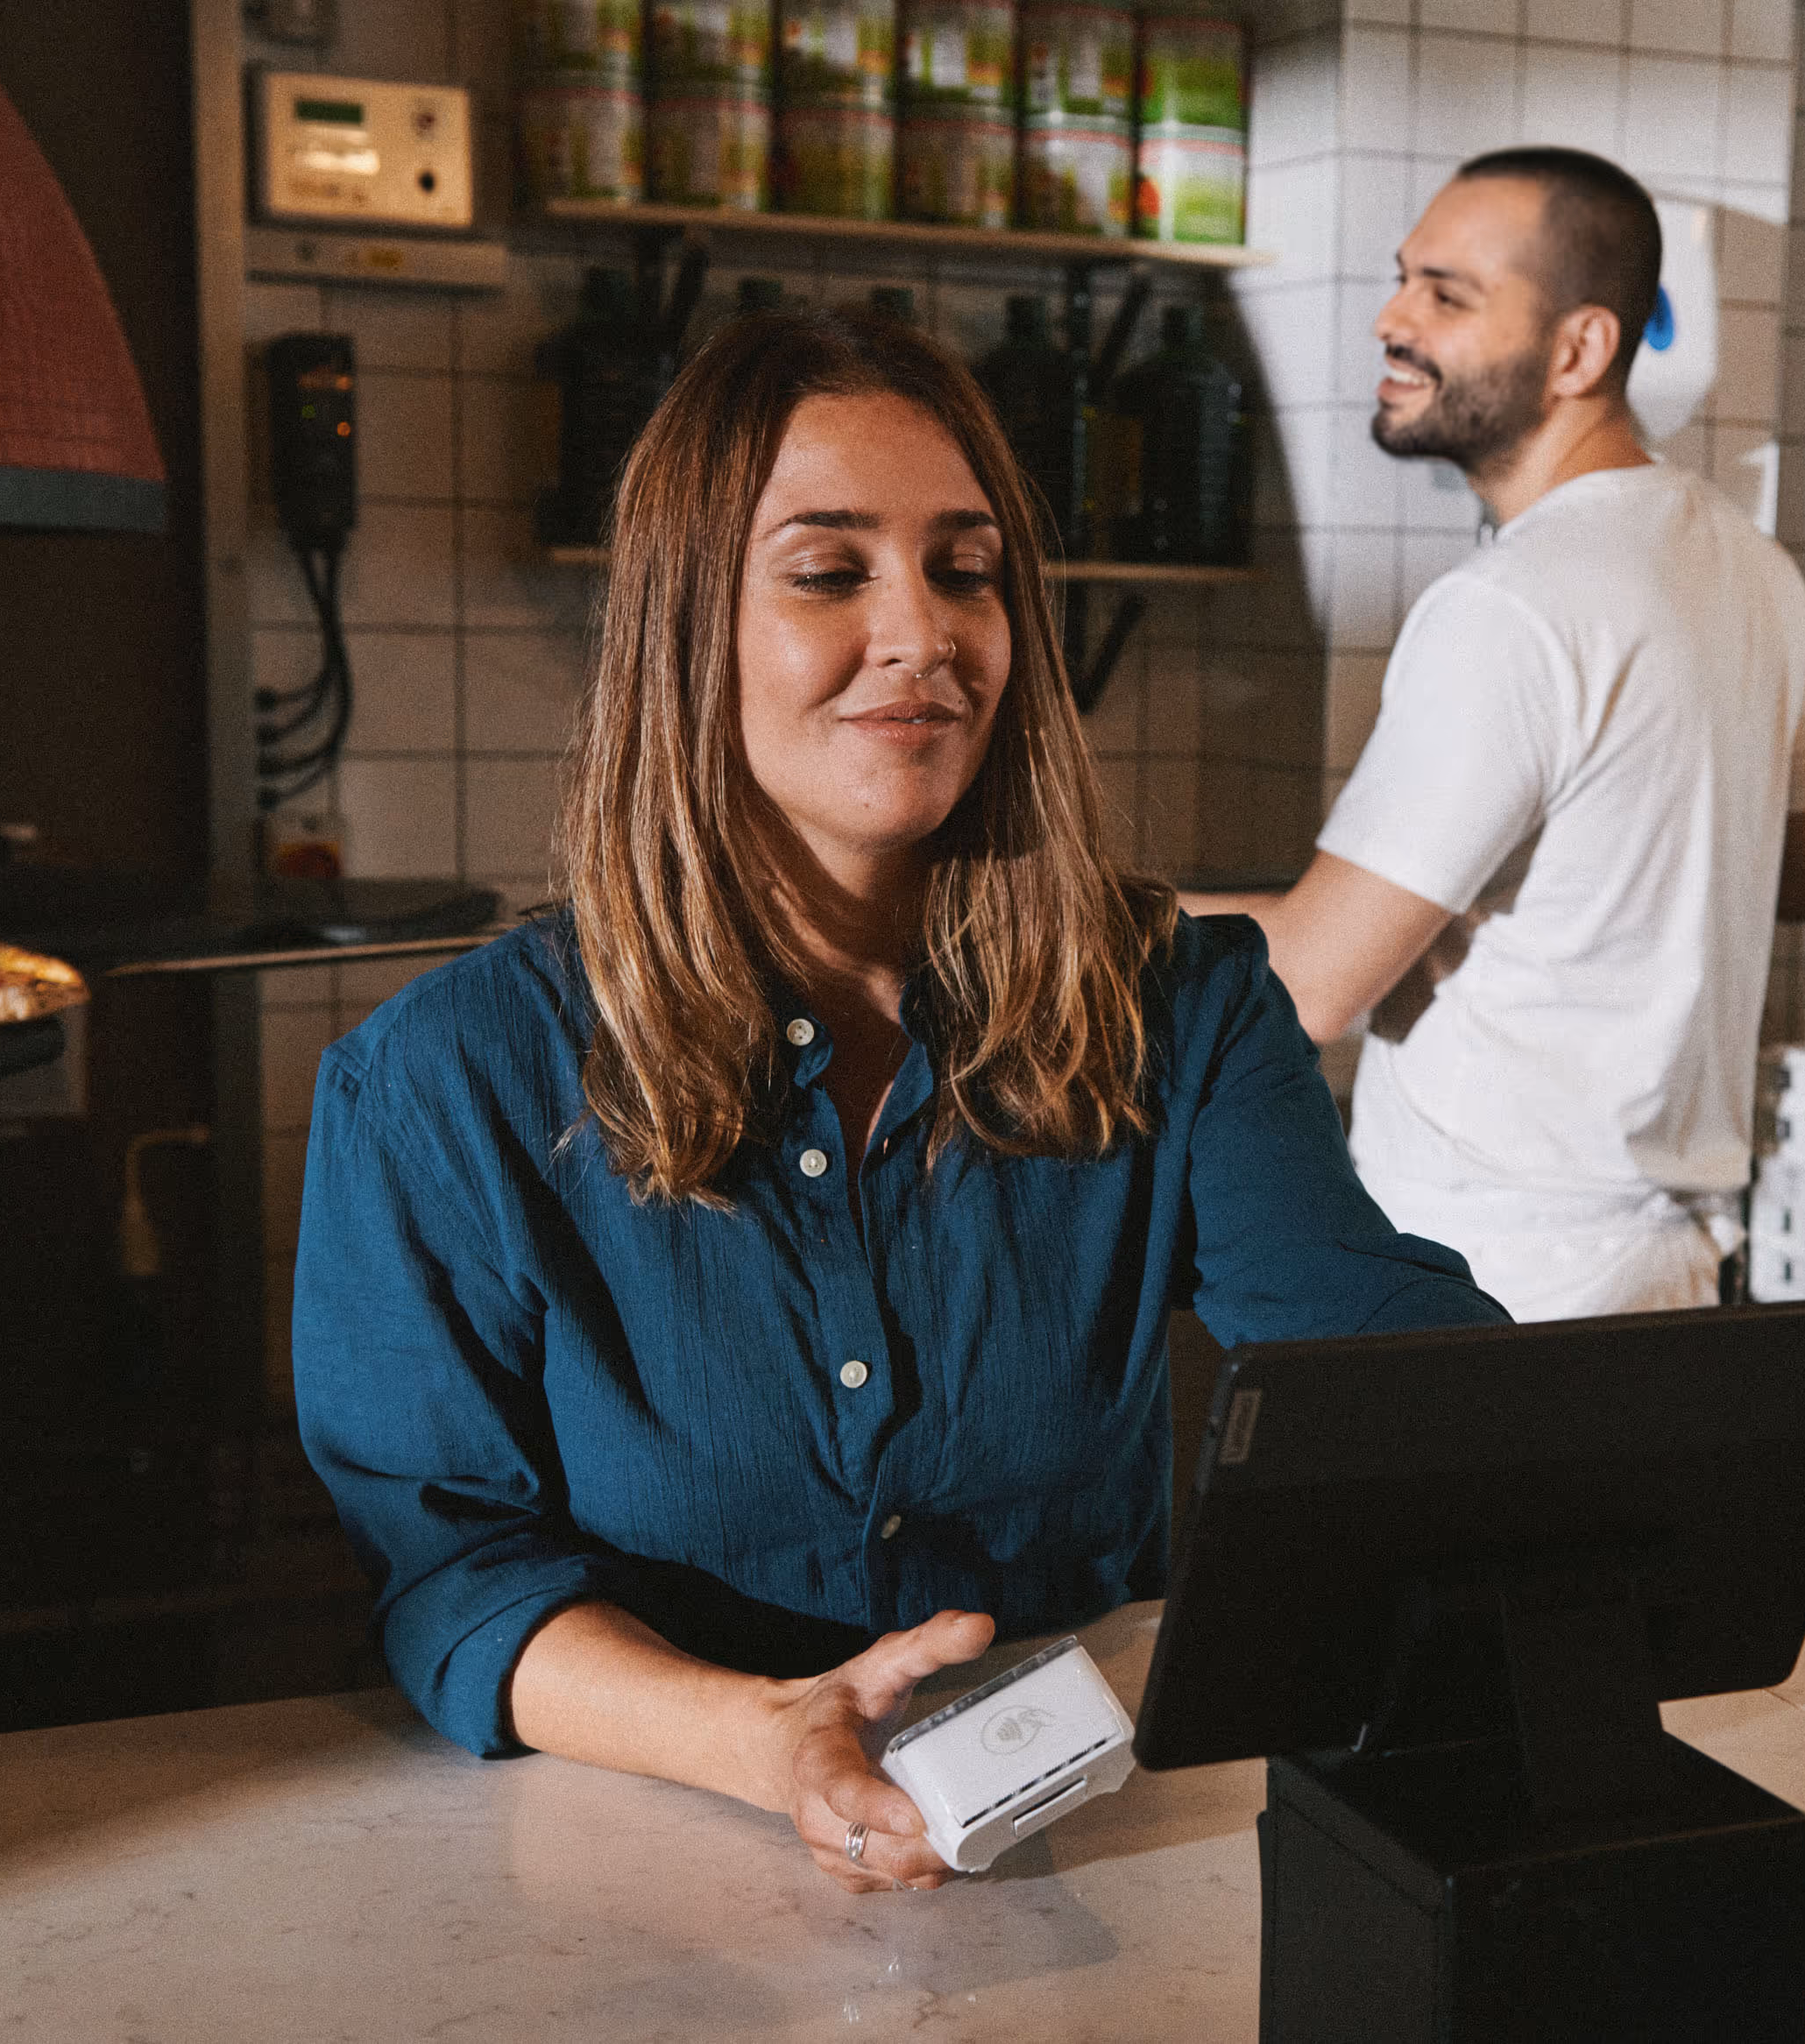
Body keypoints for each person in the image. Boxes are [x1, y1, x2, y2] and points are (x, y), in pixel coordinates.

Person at [289, 310, 1504, 1899]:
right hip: (637, 1869)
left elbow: (1382, 1363)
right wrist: (765, 1738)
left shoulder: (1174, 1006)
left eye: (968, 567)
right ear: (683, 625)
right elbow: (453, 1572)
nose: (922, 631)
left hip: (1083, 1852)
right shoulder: (444, 1085)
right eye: (828, 571)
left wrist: (1591, 1451)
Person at [1188, 148, 1805, 1322]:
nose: (1392, 320)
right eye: (1405, 278)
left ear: (1580, 350)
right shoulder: (1749, 569)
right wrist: (1599, 884)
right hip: (1672, 1264)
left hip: (1500, 1268)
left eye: (1446, 296)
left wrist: (1051, 912)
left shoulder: (1511, 607)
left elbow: (1308, 982)